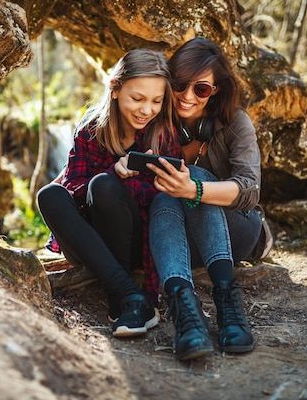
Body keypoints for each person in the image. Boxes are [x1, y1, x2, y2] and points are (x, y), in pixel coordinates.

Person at [37, 48, 181, 338]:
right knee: (48, 194)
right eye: (137, 99)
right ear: (114, 89)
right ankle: (128, 293)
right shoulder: (91, 128)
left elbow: (168, 202)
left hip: (137, 240)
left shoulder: (163, 132)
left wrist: (127, 182)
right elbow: (73, 185)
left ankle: (124, 295)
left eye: (156, 101)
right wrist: (113, 173)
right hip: (92, 239)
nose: (146, 110)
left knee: (104, 187)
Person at [147, 37, 271, 360]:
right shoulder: (156, 122)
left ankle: (227, 298)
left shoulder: (236, 123)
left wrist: (195, 190)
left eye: (200, 89)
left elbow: (249, 189)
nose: (187, 97)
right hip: (181, 240)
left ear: (215, 91)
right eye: (180, 85)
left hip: (239, 230)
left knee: (194, 179)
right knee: (165, 193)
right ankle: (185, 311)